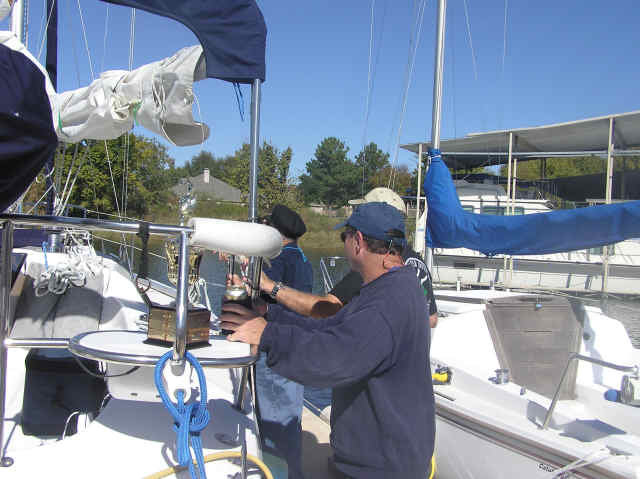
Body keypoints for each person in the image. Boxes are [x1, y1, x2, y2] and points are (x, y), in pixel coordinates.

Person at [221, 202, 436, 479]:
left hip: (381, 468)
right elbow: (332, 327)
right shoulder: (391, 286)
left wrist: (266, 334)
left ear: (358, 241)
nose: (343, 243)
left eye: (344, 236)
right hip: (380, 458)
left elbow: (331, 360)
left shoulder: (387, 302)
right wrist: (269, 314)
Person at [257, 187, 438, 327]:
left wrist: (271, 287)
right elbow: (431, 318)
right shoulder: (417, 262)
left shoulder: (374, 267)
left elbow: (327, 308)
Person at [254, 204, 312, 479]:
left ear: (276, 233)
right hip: (297, 347)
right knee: (290, 418)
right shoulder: (301, 259)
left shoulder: (278, 262)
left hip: (275, 350)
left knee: (273, 421)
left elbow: (262, 297)